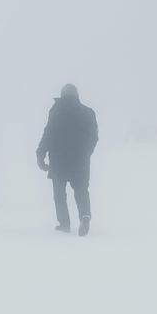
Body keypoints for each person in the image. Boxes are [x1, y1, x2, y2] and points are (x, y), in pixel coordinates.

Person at [38, 84, 99, 235]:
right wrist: (86, 153)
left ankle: (64, 223)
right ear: (76, 95)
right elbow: (94, 137)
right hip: (81, 160)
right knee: (81, 190)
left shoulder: (56, 111)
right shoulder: (88, 112)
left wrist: (40, 153)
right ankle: (85, 216)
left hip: (59, 159)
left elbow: (48, 133)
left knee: (59, 192)